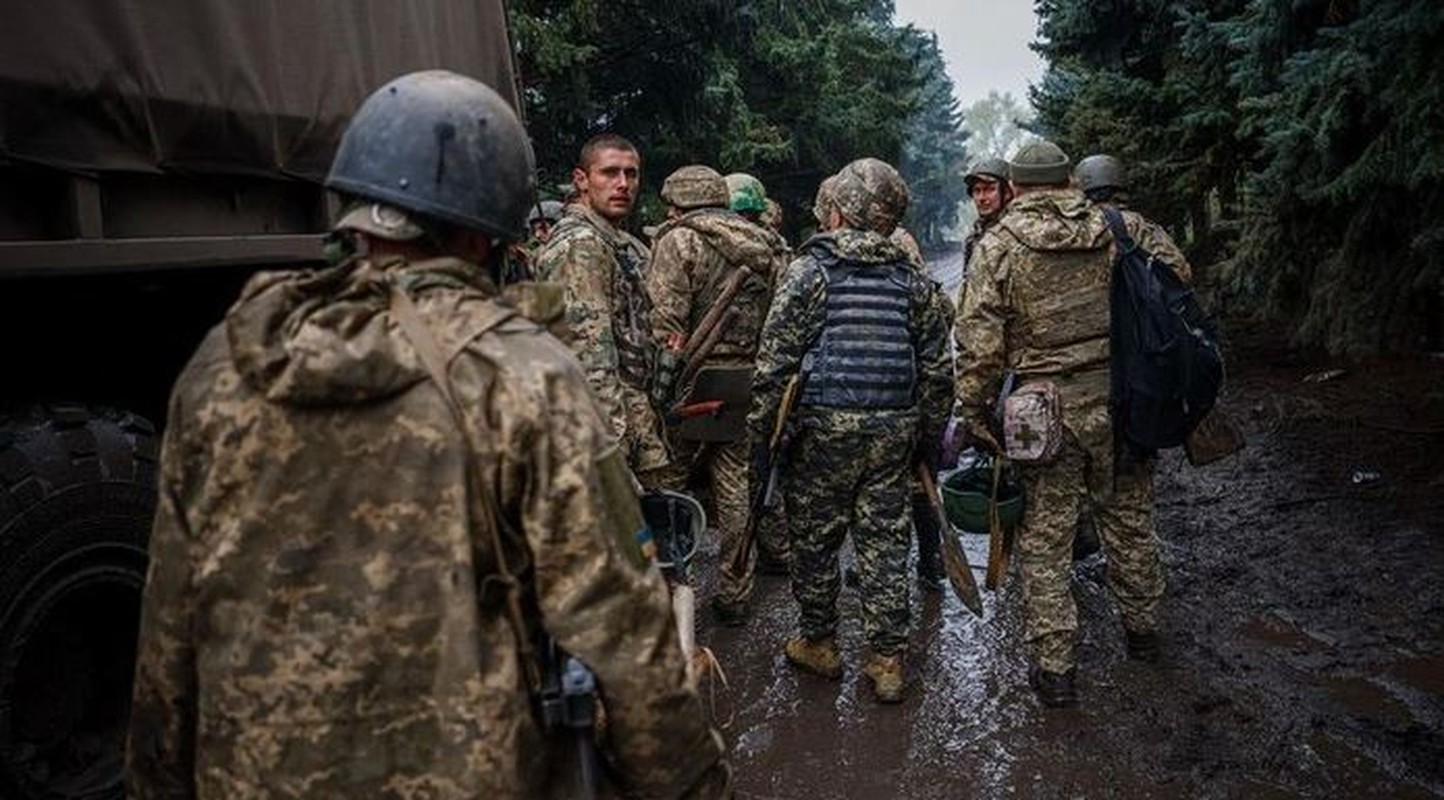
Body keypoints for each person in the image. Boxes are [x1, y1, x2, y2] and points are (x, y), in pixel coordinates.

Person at [125, 71, 728, 799]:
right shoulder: (524, 375)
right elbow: (626, 640)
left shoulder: (224, 362)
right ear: (485, 233)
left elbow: (167, 638)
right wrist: (694, 786)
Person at [955, 139, 1187, 709]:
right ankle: (1144, 633)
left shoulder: (1001, 244)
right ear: (1066, 181)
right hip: (1120, 401)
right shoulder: (1118, 226)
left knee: (1045, 537)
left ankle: (1056, 669)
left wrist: (975, 412)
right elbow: (1179, 277)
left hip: (1040, 413)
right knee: (1129, 521)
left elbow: (979, 344)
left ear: (1015, 186)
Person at [751, 158, 953, 703]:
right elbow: (938, 374)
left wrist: (763, 445)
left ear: (839, 210)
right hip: (894, 435)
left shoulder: (808, 272)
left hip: (820, 434)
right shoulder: (915, 282)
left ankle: (819, 642)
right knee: (885, 542)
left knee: (815, 542)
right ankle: (887, 661)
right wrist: (927, 443)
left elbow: (773, 369)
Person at [648, 165, 787, 626]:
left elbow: (665, 326)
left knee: (665, 482)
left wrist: (658, 392)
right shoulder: (764, 244)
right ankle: (735, 592)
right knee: (736, 488)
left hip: (692, 380)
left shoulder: (679, 241)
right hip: (746, 377)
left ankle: (664, 586)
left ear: (677, 201)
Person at [534, 134, 671, 479]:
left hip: (629, 413)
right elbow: (590, 359)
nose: (623, 184)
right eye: (609, 173)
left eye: (631, 174)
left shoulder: (614, 242)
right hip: (603, 429)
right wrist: (611, 450)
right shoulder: (582, 246)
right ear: (581, 180)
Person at [962, 156, 1013, 267]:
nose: (982, 198)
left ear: (1007, 192)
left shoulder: (1016, 232)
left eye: (990, 189)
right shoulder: (974, 239)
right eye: (977, 190)